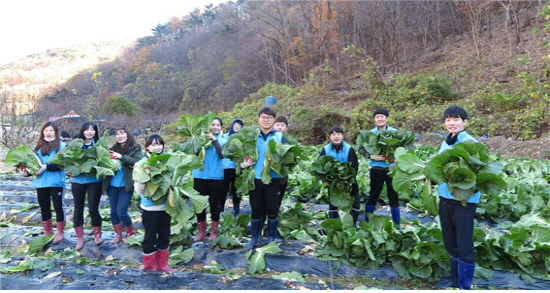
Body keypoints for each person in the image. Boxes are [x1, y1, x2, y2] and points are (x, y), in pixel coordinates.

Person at [437, 106, 477, 289]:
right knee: (450, 241)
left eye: (456, 119)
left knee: (464, 244)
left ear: (465, 122)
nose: (451, 123)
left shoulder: (470, 143)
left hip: (464, 200)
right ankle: (454, 280)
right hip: (445, 198)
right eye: (448, 120)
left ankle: (464, 286)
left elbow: (477, 172)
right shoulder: (446, 142)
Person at [241, 107, 289, 250]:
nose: (266, 119)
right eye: (263, 117)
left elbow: (289, 159)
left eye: (269, 117)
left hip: (274, 179)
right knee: (256, 209)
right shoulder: (252, 137)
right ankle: (255, 238)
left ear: (274, 120)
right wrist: (242, 164)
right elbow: (242, 155)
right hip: (255, 178)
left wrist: (279, 163)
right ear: (259, 119)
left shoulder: (280, 137)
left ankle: (271, 238)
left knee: (272, 209)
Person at [18, 122, 67, 244]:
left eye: (51, 130)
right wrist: (26, 172)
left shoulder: (62, 146)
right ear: (42, 132)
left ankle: (60, 232)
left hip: (56, 182)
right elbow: (32, 164)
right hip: (41, 182)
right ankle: (48, 231)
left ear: (56, 132)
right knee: (44, 207)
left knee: (58, 207)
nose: (48, 133)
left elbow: (63, 164)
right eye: (46, 131)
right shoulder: (37, 146)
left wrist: (46, 167)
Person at [135, 134, 176, 272]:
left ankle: (163, 265)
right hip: (150, 207)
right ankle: (149, 266)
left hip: (166, 206)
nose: (157, 147)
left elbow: (177, 181)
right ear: (147, 147)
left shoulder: (169, 161)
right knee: (150, 237)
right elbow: (139, 190)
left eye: (159, 144)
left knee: (164, 235)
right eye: (153, 144)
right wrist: (144, 177)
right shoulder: (141, 164)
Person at [359, 108, 402, 228]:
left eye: (382, 116)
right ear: (374, 120)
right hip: (377, 168)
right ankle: (368, 224)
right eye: (377, 117)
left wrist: (396, 156)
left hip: (392, 169)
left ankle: (397, 225)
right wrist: (372, 156)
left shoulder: (395, 132)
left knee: (393, 196)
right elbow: (360, 148)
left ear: (387, 118)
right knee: (373, 196)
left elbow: (407, 145)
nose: (380, 119)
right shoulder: (369, 133)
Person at [103, 128, 143, 244]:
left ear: (128, 134)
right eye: (117, 134)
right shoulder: (112, 149)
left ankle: (130, 233)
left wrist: (120, 157)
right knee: (114, 212)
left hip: (126, 185)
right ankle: (118, 235)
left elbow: (137, 162)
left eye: (122, 133)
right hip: (112, 185)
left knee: (121, 211)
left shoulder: (135, 149)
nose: (119, 136)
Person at [192, 117, 227, 242]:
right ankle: (201, 232)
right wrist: (199, 140)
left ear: (221, 128)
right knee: (199, 205)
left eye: (218, 125)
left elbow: (222, 154)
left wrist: (214, 140)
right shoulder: (200, 139)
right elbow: (193, 152)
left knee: (214, 205)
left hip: (216, 177)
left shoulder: (222, 141)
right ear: (208, 126)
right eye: (213, 124)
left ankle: (213, 232)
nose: (215, 127)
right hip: (199, 176)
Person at [319, 126, 361, 227]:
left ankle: (353, 223)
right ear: (330, 137)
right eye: (333, 134)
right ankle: (333, 224)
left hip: (348, 182)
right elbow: (319, 166)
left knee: (355, 201)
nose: (336, 136)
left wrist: (347, 180)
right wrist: (326, 180)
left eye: (338, 134)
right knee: (333, 203)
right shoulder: (325, 149)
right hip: (332, 183)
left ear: (342, 136)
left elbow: (354, 166)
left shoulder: (349, 149)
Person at [71, 122, 104, 250]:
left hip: (94, 181)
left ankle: (98, 234)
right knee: (78, 209)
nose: (89, 132)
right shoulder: (75, 144)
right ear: (82, 131)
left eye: (92, 130)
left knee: (93, 209)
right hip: (78, 181)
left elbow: (104, 161)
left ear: (96, 132)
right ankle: (80, 237)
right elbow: (66, 159)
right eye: (87, 130)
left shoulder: (99, 146)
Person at [220, 118, 244, 219]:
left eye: (239, 125)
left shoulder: (243, 138)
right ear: (231, 125)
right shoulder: (224, 137)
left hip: (237, 168)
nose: (237, 126)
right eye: (235, 124)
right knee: (222, 190)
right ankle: (221, 209)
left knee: (236, 190)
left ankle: (236, 209)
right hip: (225, 167)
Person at [273, 116, 290, 207]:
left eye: (282, 125)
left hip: (283, 174)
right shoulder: (269, 138)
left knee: (280, 194)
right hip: (270, 174)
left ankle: (276, 213)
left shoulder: (286, 140)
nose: (280, 127)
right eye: (277, 125)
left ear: (286, 128)